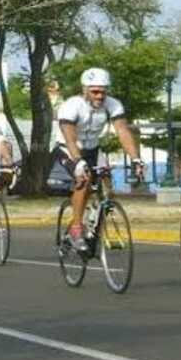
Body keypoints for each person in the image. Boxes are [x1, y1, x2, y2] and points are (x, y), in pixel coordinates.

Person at [56, 67, 144, 252]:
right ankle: (76, 229)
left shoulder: (113, 105)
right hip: (68, 149)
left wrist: (136, 159)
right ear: (85, 90)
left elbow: (122, 131)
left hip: (93, 149)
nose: (100, 96)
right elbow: (70, 138)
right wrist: (78, 162)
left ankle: (93, 225)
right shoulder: (72, 106)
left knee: (107, 188)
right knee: (84, 179)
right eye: (95, 91)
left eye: (103, 92)